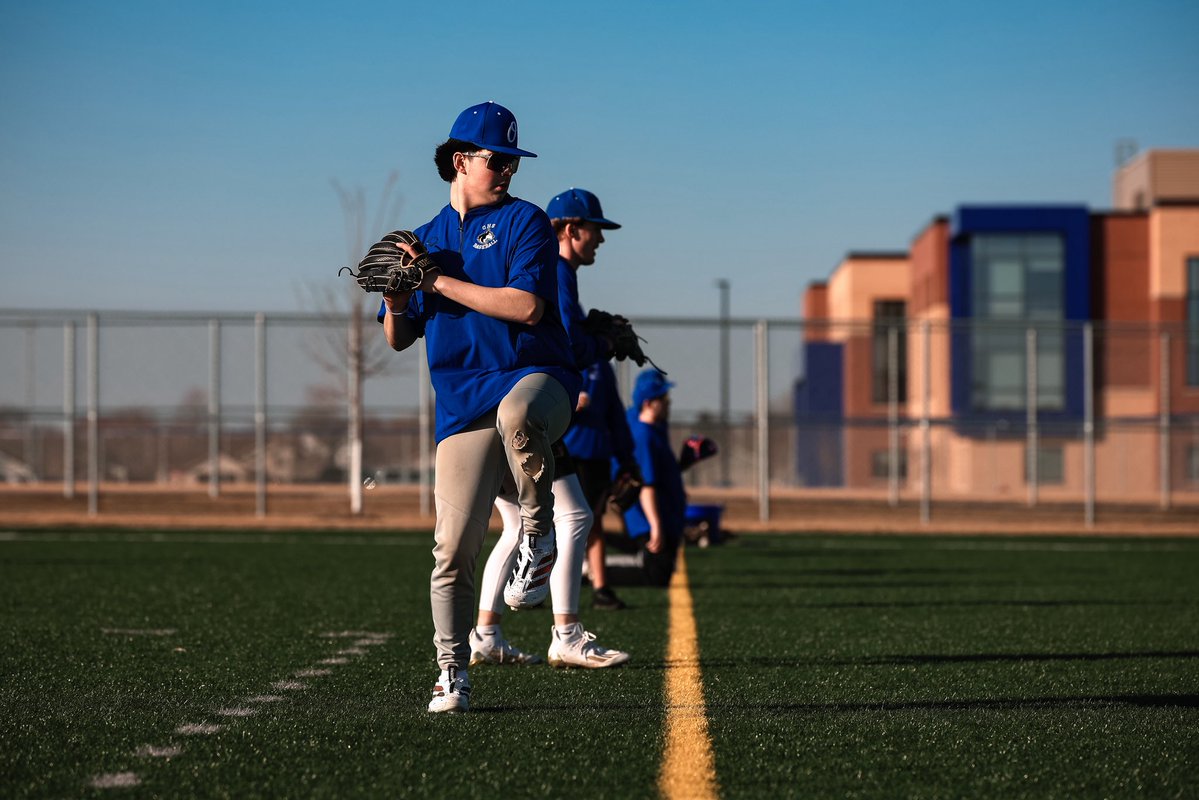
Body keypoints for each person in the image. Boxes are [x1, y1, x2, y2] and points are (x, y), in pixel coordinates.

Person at [376, 101, 580, 713]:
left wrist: (434, 282)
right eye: (497, 160)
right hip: (463, 403)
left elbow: (527, 309)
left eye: (512, 162)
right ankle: (451, 673)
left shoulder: (526, 221)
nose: (507, 172)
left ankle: (537, 536)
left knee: (519, 416)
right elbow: (397, 337)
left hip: (537, 378)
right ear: (460, 160)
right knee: (451, 549)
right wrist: (396, 290)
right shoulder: (424, 239)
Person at [470, 188, 632, 668]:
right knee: (576, 515)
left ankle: (485, 633)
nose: (599, 241)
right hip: (529, 407)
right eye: (594, 230)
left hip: (505, 401)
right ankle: (565, 634)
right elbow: (561, 345)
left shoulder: (558, 271)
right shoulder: (558, 271)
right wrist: (601, 344)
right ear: (571, 229)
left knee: (517, 524)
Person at [621, 369, 687, 586]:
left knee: (663, 572)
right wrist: (655, 524)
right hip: (652, 520)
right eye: (662, 398)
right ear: (649, 403)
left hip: (666, 514)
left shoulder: (655, 430)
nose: (668, 403)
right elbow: (647, 486)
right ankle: (591, 569)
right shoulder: (644, 434)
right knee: (656, 576)